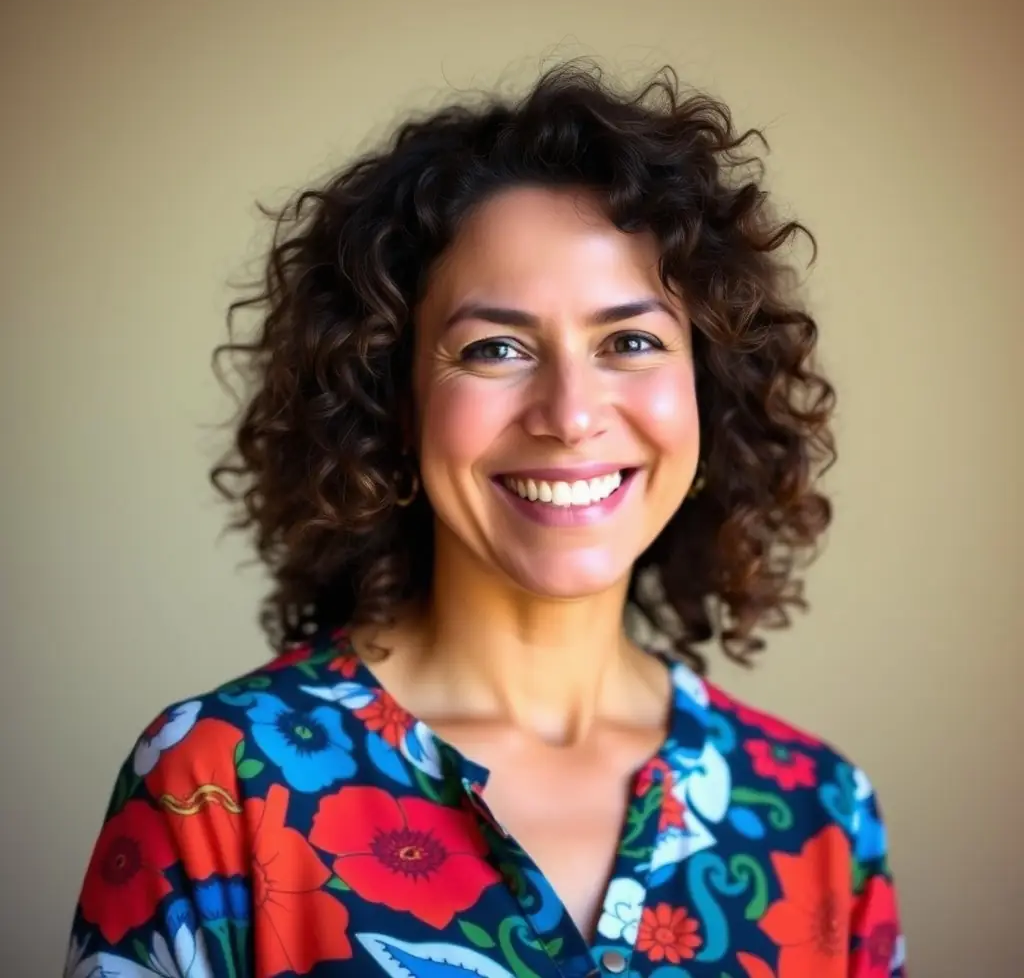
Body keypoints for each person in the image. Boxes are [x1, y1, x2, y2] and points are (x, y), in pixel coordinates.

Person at [64, 62, 905, 978]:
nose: (570, 412)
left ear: (709, 390)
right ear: (393, 394)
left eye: (630, 342)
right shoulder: (221, 784)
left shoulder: (820, 817)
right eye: (496, 348)